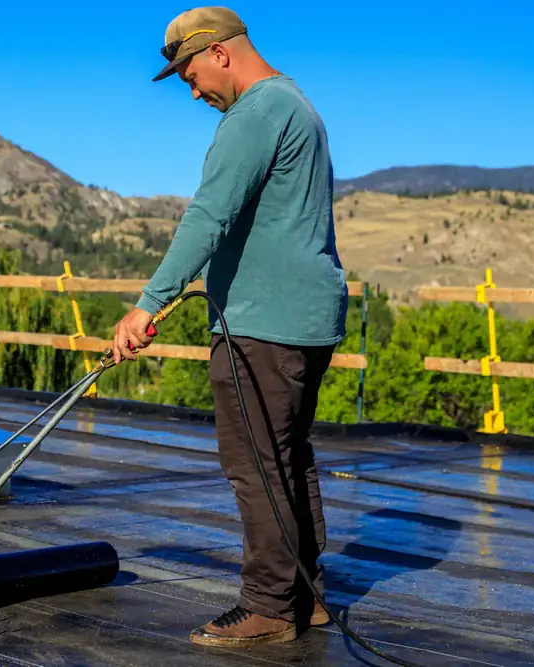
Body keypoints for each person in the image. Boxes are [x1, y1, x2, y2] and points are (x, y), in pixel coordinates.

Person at [111, 6, 349, 648]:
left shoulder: (256, 113)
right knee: (287, 458)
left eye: (189, 73)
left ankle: (269, 605)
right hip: (302, 318)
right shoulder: (295, 106)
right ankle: (305, 597)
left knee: (254, 463)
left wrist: (149, 303)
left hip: (263, 324)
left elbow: (208, 214)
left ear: (220, 52)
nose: (192, 90)